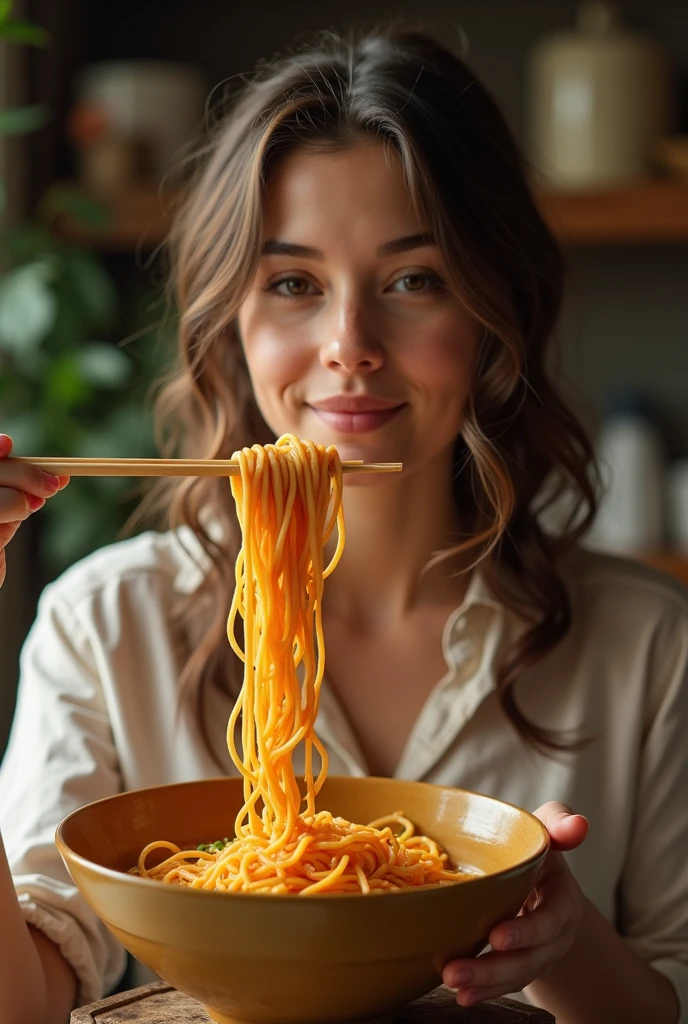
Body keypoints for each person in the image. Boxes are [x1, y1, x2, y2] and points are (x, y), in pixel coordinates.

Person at [0, 25, 686, 1024]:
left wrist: (565, 942)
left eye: (413, 279)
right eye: (292, 283)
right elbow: (20, 999)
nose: (349, 345)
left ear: (495, 311)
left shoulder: (648, 642)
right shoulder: (107, 624)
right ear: (230, 320)